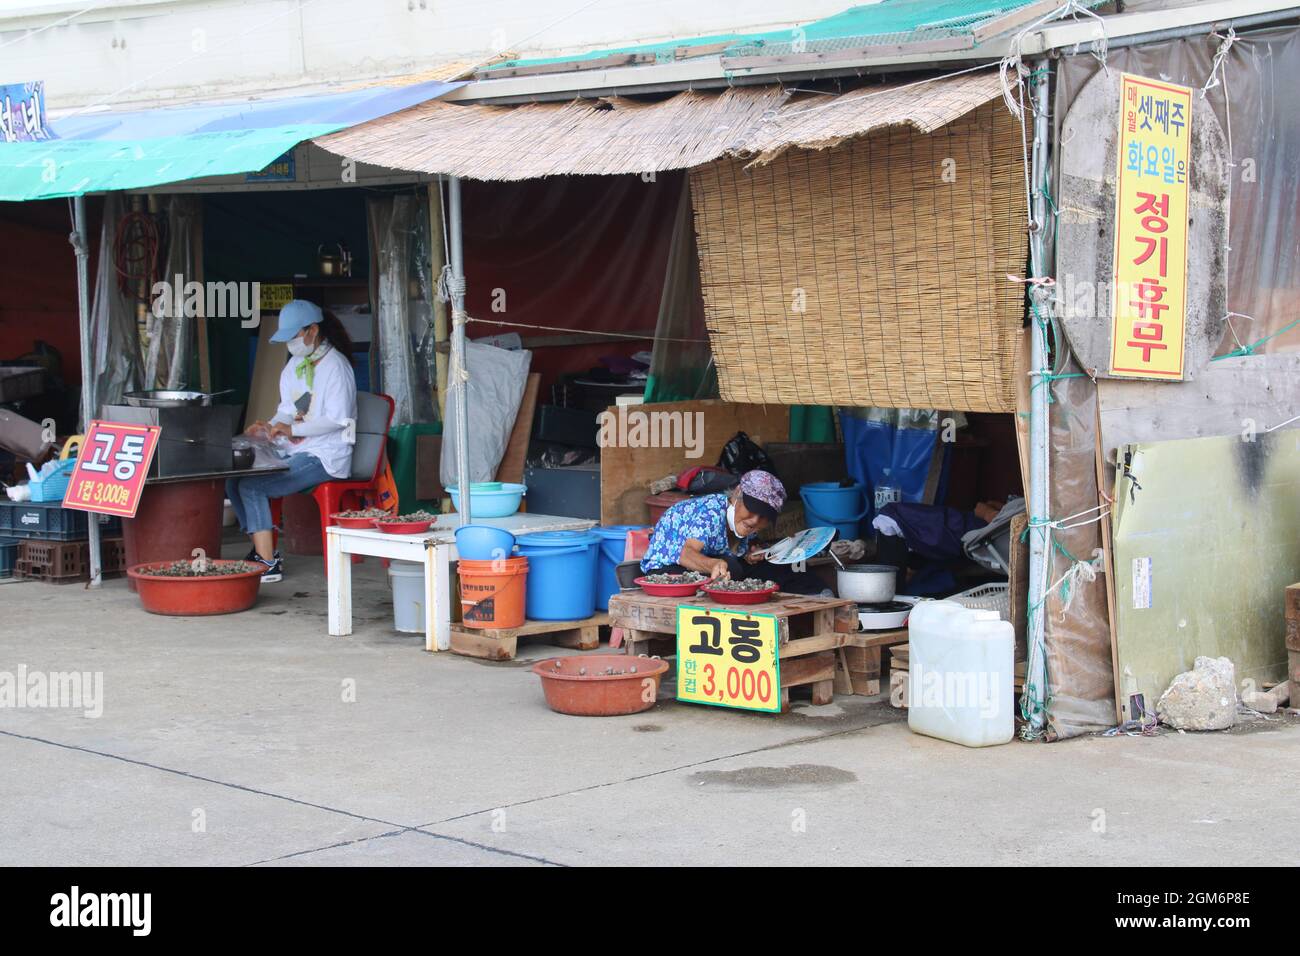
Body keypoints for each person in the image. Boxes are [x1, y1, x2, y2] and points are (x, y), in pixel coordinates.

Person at [226, 300, 358, 583]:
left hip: (325, 455)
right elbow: (287, 409)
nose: (290, 344)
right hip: (294, 449)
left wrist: (291, 429)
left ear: (312, 330)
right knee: (234, 480)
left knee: (252, 487)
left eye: (294, 336)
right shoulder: (296, 365)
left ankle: (268, 563)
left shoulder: (337, 367)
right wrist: (269, 427)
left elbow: (337, 420)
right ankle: (262, 549)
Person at [639, 469, 826, 595]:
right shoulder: (710, 512)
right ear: (737, 494)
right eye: (751, 509)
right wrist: (714, 564)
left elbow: (741, 550)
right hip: (667, 572)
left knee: (784, 567)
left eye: (763, 517)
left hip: (711, 567)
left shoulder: (743, 524)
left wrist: (751, 553)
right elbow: (686, 555)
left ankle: (818, 595)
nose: (754, 521)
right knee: (731, 568)